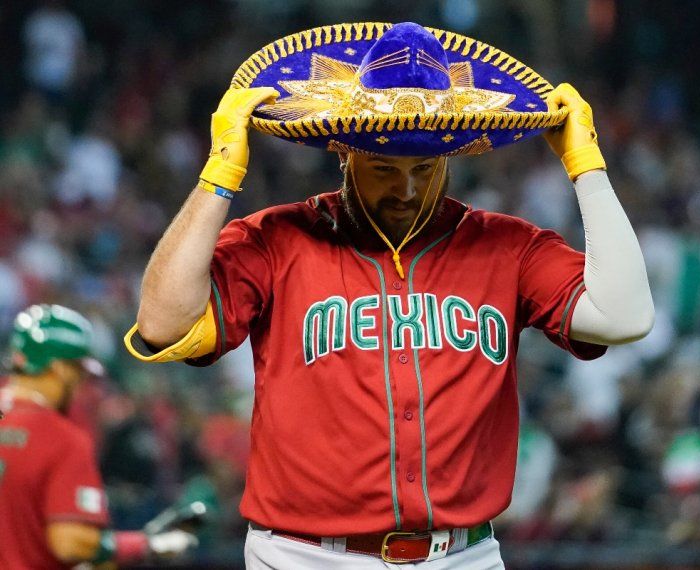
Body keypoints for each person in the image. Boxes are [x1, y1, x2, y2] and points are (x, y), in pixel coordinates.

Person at [125, 22, 654, 568]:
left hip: (463, 556)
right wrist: (219, 177)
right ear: (344, 154)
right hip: (305, 557)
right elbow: (164, 323)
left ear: (449, 157)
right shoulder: (277, 239)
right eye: (382, 167)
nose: (405, 189)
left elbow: (624, 316)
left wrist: (586, 169)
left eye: (423, 168)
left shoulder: (507, 246)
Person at [0, 304, 198, 569]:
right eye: (78, 371)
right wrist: (144, 544)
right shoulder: (61, 438)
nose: (81, 382)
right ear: (59, 368)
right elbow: (69, 543)